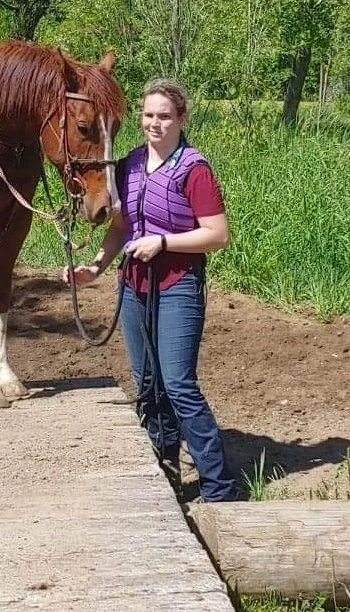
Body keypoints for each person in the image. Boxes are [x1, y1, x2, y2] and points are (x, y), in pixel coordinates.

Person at [68, 79, 238, 502]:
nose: (154, 124)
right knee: (147, 383)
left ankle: (220, 488)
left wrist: (163, 242)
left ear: (181, 119)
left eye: (164, 116)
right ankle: (166, 472)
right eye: (148, 115)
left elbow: (217, 235)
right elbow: (120, 228)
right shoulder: (127, 166)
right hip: (133, 285)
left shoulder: (194, 169)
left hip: (178, 284)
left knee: (178, 384)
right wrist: (95, 267)